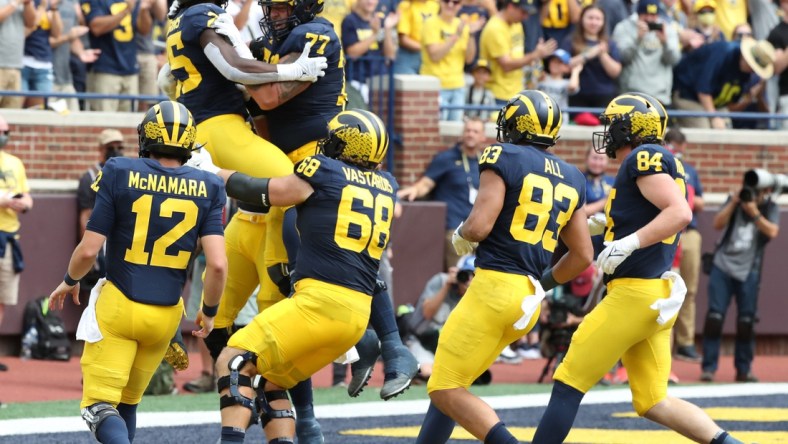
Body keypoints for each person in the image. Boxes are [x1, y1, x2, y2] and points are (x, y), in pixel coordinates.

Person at [532, 92, 744, 444]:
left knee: (568, 380)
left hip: (633, 294)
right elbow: (651, 212)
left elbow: (679, 213)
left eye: (613, 124)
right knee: (653, 400)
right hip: (652, 295)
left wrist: (629, 242)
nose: (607, 132)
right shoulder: (658, 161)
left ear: (631, 127)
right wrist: (609, 225)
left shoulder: (644, 156)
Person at [187, 109, 397, 444]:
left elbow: (266, 190)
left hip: (318, 302)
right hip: (357, 314)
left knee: (233, 358)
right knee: (272, 381)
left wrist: (213, 171)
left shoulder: (324, 170)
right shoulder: (388, 186)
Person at [415, 90, 593, 444]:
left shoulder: (502, 154)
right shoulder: (573, 175)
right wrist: (542, 283)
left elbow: (479, 226)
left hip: (493, 289)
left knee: (444, 387)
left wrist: (462, 235)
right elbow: (583, 255)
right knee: (455, 383)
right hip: (527, 301)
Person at [48, 101, 228, 444]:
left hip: (120, 304)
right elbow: (217, 264)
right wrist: (209, 311)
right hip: (166, 315)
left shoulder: (118, 170)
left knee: (99, 406)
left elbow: (89, 249)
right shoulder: (210, 185)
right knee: (128, 404)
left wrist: (69, 280)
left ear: (146, 136)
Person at [699, 176, 779, 383]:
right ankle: (708, 368)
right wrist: (734, 203)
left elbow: (772, 231)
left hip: (749, 270)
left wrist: (754, 213)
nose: (751, 194)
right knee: (715, 318)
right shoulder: (734, 201)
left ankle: (744, 369)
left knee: (746, 321)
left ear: (766, 191)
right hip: (722, 266)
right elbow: (717, 223)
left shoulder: (770, 207)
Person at [397, 116, 485, 271]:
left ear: (483, 137)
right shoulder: (446, 158)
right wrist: (413, 190)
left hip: (479, 228)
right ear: (462, 134)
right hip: (455, 228)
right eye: (468, 130)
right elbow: (425, 184)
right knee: (461, 275)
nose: (470, 134)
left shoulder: (486, 161)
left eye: (475, 131)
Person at [672, 36, 775, 129]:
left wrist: (750, 97)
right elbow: (703, 89)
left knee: (726, 130)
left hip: (715, 103)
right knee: (704, 129)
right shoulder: (722, 52)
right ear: (746, 57)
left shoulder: (746, 75)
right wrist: (714, 117)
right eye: (753, 67)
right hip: (687, 95)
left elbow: (731, 107)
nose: (753, 72)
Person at [664, 128, 704, 363]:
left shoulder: (689, 171)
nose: (677, 149)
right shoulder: (663, 166)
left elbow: (700, 200)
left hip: (689, 233)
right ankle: (666, 345)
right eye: (673, 144)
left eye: (680, 145)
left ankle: (686, 341)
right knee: (667, 289)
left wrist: (688, 198)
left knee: (689, 289)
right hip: (668, 231)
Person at [405, 254, 476, 380]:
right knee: (428, 373)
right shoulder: (441, 281)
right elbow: (427, 313)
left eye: (474, 276)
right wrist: (447, 286)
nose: (469, 280)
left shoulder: (476, 296)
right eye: (466, 274)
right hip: (420, 339)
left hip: (442, 346)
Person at [0, 114, 33, 374]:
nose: (4, 134)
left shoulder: (15, 163)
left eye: (6, 130)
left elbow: (27, 197)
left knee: (2, 300)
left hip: (10, 239)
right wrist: (6, 199)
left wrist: (22, 202)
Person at [478, 0, 555, 105]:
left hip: (516, 91)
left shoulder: (516, 24)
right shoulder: (495, 28)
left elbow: (517, 55)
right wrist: (535, 55)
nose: (525, 17)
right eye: (523, 12)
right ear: (510, 6)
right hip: (498, 94)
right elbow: (506, 65)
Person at [83, 0, 153, 111]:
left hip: (130, 69)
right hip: (105, 69)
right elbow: (96, 27)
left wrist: (144, 10)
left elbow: (144, 31)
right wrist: (126, 11)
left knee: (128, 122)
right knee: (105, 120)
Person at [611, 0, 681, 108]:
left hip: (659, 96)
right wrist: (637, 39)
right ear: (638, 13)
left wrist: (665, 43)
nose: (649, 19)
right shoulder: (624, 27)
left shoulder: (667, 29)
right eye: (645, 14)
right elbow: (622, 58)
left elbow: (674, 60)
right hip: (631, 95)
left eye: (653, 15)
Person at [419, 0, 481, 121]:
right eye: (446, 1)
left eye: (455, 2)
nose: (450, 5)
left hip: (457, 86)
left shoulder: (462, 24)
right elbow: (435, 56)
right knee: (437, 129)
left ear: (460, 5)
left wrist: (472, 35)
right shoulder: (430, 23)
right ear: (440, 2)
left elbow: (469, 59)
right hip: (435, 86)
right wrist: (456, 36)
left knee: (455, 130)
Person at [0, 0, 36, 109]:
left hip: (15, 65)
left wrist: (27, 4)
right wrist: (15, 3)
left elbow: (31, 23)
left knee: (12, 115)